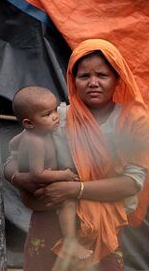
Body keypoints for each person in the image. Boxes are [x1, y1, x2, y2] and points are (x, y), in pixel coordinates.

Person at [4, 39, 149, 271]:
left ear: (117, 78)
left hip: (99, 232)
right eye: (84, 76)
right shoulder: (57, 116)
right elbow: (14, 156)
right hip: (49, 225)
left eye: (103, 75)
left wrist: (75, 188)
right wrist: (20, 179)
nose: (93, 83)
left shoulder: (130, 121)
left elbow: (132, 183)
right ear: (73, 78)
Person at [10, 86, 92, 261]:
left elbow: (11, 144)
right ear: (28, 123)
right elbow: (37, 174)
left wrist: (18, 155)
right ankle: (70, 241)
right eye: (47, 115)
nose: (55, 116)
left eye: (55, 110)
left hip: (38, 186)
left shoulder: (30, 133)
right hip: (36, 192)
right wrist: (64, 175)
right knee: (68, 202)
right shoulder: (37, 141)